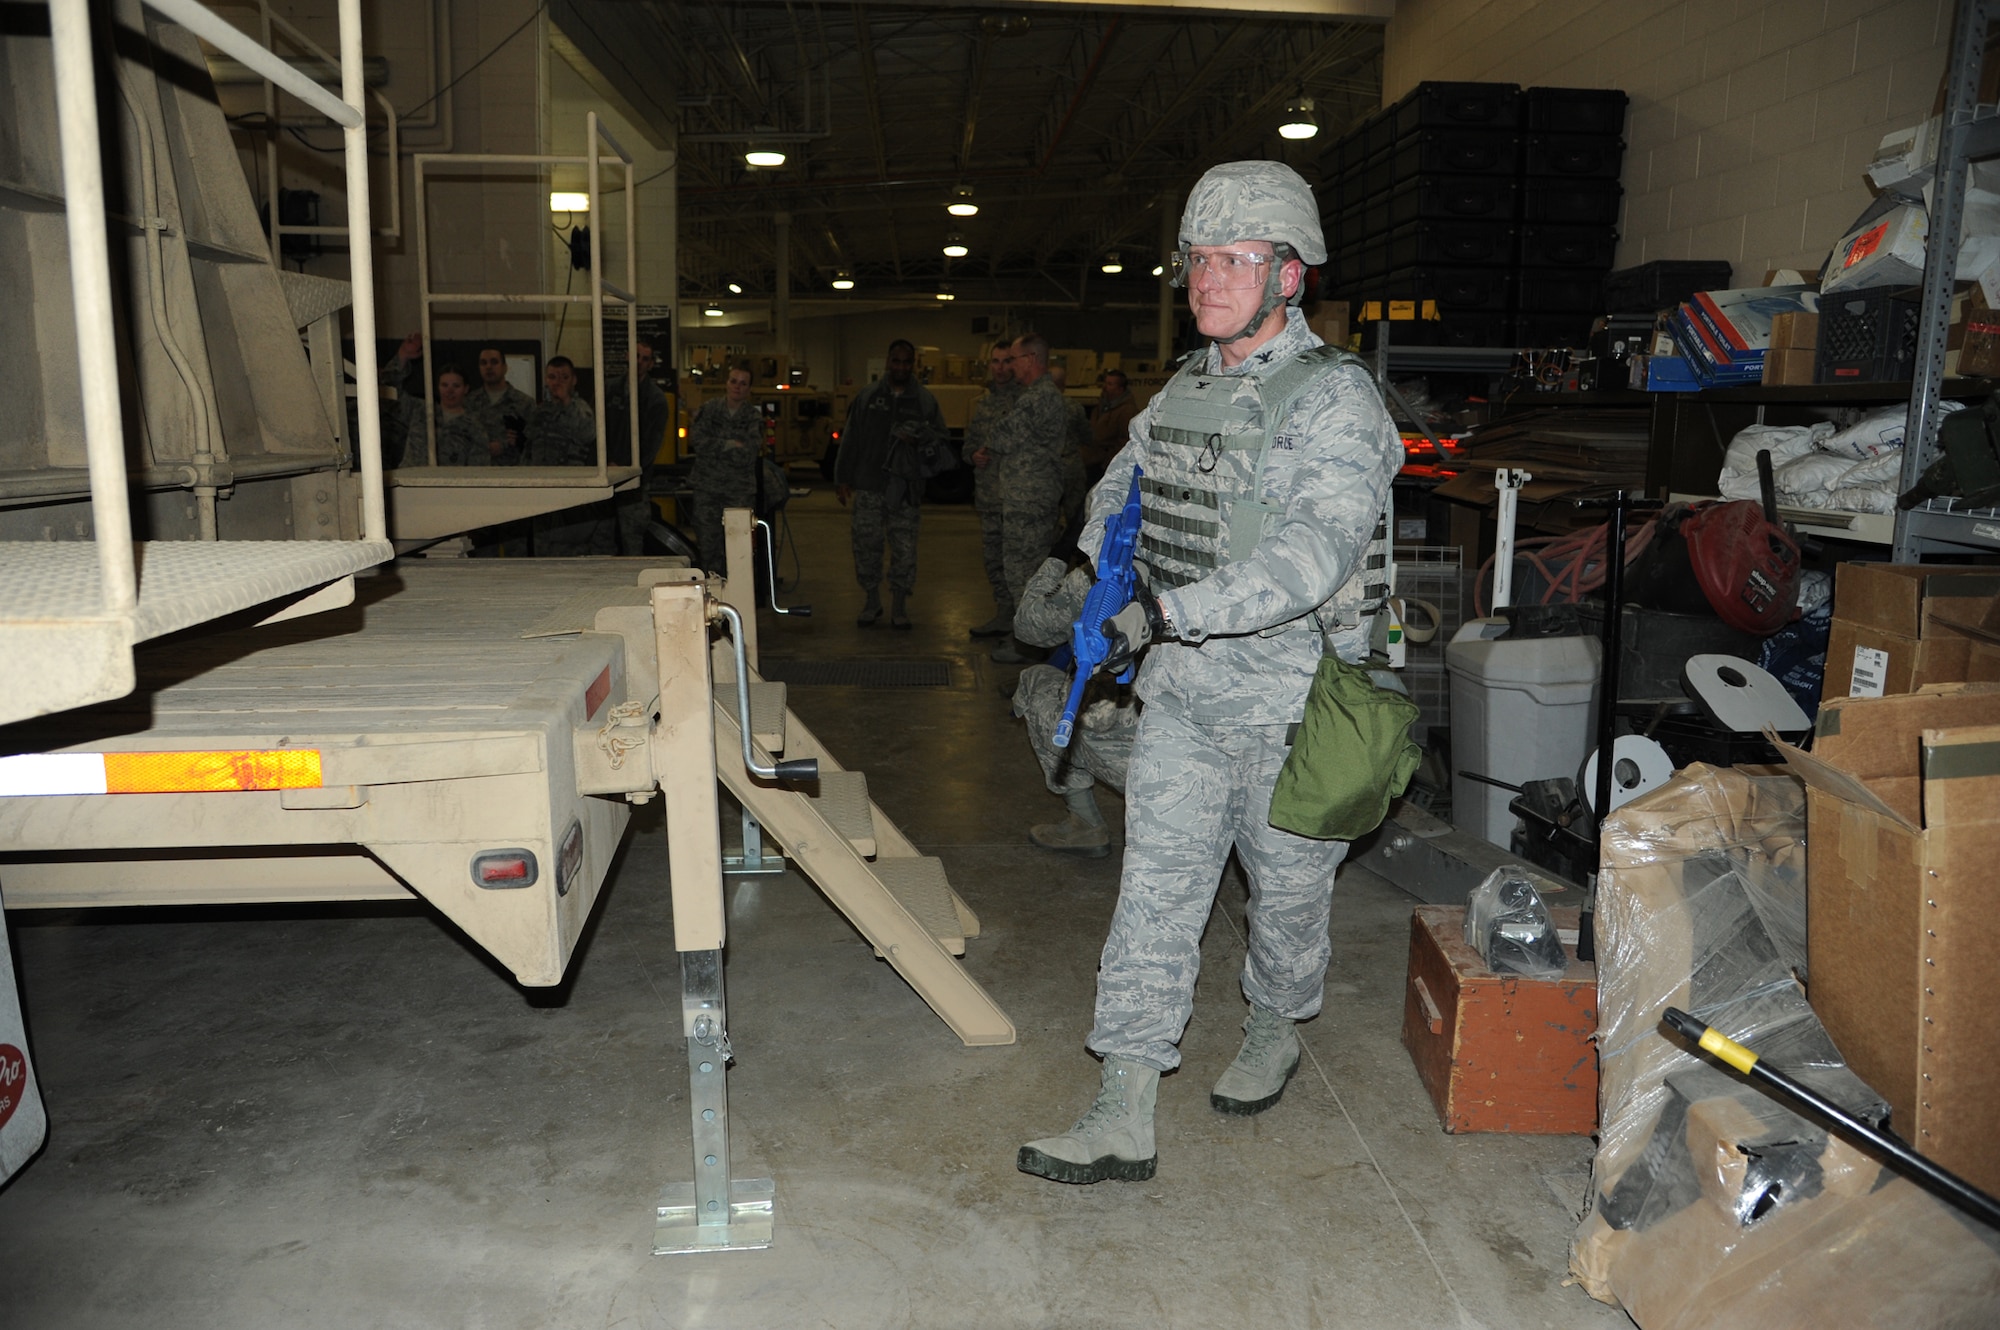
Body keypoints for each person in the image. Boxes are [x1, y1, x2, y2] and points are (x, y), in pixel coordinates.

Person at [1017, 160, 1401, 1185]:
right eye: (1195, 258)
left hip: (1293, 704)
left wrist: (1165, 612)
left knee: (1283, 898)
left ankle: (1274, 1023)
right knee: (1153, 891)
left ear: (1289, 275)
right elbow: (1123, 480)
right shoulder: (1186, 384)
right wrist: (1101, 565)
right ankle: (1121, 1106)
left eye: (1232, 258)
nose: (1205, 278)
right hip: (1181, 695)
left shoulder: (1337, 402)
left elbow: (1309, 556)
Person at [1010, 556, 1138, 858]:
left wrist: (1055, 563)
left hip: (1134, 764)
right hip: (1212, 760)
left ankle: (1085, 824)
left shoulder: (1107, 567)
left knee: (1035, 681)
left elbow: (1029, 627)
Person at [834, 339, 947, 629]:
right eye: (896, 361)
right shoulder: (868, 397)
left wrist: (919, 436)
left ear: (913, 365)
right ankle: (872, 601)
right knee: (866, 546)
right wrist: (842, 478)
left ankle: (899, 605)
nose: (900, 367)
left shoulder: (924, 401)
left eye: (906, 362)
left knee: (905, 550)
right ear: (887, 362)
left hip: (906, 491)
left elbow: (941, 439)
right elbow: (851, 438)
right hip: (869, 487)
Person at [984, 333, 1069, 662]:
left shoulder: (1038, 397)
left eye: (1015, 359)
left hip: (1030, 501)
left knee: (1024, 574)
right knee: (1027, 572)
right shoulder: (1036, 395)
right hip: (1029, 498)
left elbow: (1001, 437)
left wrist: (996, 433)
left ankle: (1032, 648)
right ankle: (1030, 641)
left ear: (1031, 360)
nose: (1011, 366)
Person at [527, 355, 617, 555]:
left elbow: (588, 433)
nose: (557, 382)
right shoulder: (540, 412)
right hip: (543, 493)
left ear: (574, 380)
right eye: (552, 377)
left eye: (564, 377)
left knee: (569, 549)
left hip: (571, 494)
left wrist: (566, 400)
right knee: (543, 550)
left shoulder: (580, 409)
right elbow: (530, 446)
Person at [687, 361, 762, 575]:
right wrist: (730, 443)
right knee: (708, 547)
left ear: (749, 389)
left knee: (739, 548)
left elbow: (748, 454)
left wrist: (716, 445)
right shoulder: (710, 409)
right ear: (726, 384)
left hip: (738, 492)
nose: (737, 386)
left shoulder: (753, 417)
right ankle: (712, 595)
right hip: (707, 490)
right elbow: (698, 442)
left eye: (743, 383)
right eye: (733, 381)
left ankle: (738, 598)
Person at [966, 340, 1020, 638]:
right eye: (995, 362)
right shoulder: (982, 404)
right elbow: (969, 445)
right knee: (993, 562)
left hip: (1015, 500)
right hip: (988, 498)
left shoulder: (1025, 400)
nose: (1000, 368)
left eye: (1006, 362)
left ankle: (1020, 625)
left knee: (1017, 565)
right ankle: (1002, 614)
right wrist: (973, 455)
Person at [610, 336, 674, 556]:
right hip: (603, 478)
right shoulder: (608, 390)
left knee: (632, 542)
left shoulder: (655, 400)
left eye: (645, 358)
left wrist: (625, 468)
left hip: (634, 484)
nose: (639, 362)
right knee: (602, 540)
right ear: (627, 356)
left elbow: (650, 446)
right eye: (636, 356)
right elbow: (596, 432)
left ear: (651, 364)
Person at [400, 364, 493, 467]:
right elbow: (390, 387)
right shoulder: (419, 411)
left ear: (466, 389)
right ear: (438, 387)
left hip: (448, 481)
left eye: (456, 386)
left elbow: (479, 469)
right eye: (444, 385)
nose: (450, 391)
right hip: (410, 480)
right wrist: (403, 357)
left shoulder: (474, 428)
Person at [1046, 361, 1092, 547]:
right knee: (1075, 513)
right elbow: (1088, 437)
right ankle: (1074, 548)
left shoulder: (1039, 407)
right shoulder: (1074, 407)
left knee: (1049, 513)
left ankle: (1051, 548)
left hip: (1048, 468)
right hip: (1072, 466)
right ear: (1063, 383)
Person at [468, 345, 533, 465]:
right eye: (483, 363)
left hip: (512, 474)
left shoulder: (525, 403)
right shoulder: (468, 403)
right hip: (477, 474)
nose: (488, 367)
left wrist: (507, 444)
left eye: (494, 362)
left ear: (505, 368)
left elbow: (533, 444)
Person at [1086, 369, 1138, 485]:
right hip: (1094, 461)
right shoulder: (1101, 407)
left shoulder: (1127, 411)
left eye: (1110, 384)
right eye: (1106, 383)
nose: (1105, 387)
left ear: (1120, 389)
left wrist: (1109, 461)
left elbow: (1126, 440)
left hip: (1108, 465)